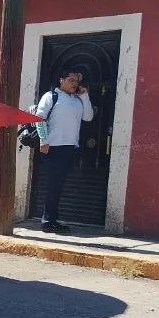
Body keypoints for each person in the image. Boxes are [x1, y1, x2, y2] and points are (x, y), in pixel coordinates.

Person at [34, 67, 94, 233]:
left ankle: (52, 219)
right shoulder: (51, 96)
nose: (74, 84)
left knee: (59, 185)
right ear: (62, 79)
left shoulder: (77, 100)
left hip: (70, 147)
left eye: (76, 81)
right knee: (53, 185)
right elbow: (39, 119)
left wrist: (84, 95)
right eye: (71, 80)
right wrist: (43, 140)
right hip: (52, 147)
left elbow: (88, 117)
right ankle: (47, 220)